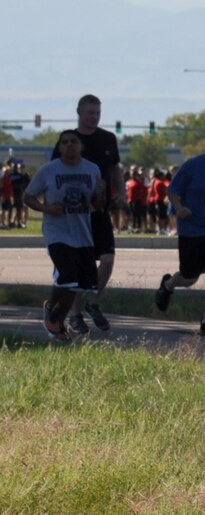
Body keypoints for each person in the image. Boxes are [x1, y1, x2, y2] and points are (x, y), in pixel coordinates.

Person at [155, 131, 205, 337]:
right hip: (192, 229)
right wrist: (179, 207)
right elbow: (172, 191)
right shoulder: (192, 166)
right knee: (190, 277)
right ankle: (168, 285)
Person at [24, 130, 104, 339]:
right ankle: (53, 320)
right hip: (57, 232)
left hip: (82, 233)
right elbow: (28, 197)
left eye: (74, 142)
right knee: (68, 276)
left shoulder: (92, 169)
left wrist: (101, 193)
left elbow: (97, 203)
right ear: (59, 147)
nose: (70, 145)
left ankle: (55, 317)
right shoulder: (48, 170)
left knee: (79, 283)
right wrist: (47, 209)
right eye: (65, 142)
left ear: (81, 146)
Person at [55, 94, 121, 334]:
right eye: (90, 113)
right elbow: (55, 173)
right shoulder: (69, 140)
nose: (94, 117)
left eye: (98, 113)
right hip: (75, 215)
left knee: (108, 259)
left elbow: (115, 168)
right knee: (77, 265)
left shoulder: (108, 139)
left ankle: (93, 303)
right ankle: (74, 315)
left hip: (100, 211)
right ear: (79, 113)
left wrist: (120, 193)